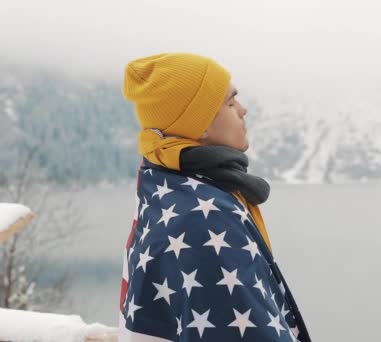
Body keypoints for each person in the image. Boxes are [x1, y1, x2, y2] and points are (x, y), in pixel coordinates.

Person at [118, 52, 311, 341]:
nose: (243, 110)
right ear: (201, 124)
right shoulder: (206, 218)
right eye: (230, 102)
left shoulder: (164, 185)